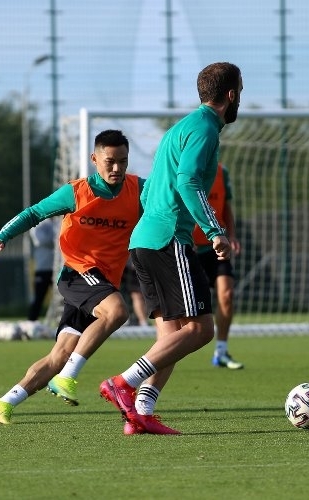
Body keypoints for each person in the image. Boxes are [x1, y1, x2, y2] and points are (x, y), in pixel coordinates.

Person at [98, 61, 243, 435]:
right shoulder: (204, 129)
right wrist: (214, 230)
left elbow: (149, 190)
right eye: (240, 91)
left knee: (171, 336)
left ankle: (140, 414)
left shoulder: (179, 129)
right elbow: (188, 180)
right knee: (201, 329)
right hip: (168, 241)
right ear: (231, 95)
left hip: (145, 241)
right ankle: (123, 383)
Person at [0, 129, 145, 424]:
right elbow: (33, 213)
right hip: (77, 274)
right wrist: (0, 235)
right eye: (109, 161)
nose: (117, 168)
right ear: (94, 159)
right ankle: (68, 377)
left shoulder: (139, 190)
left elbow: (167, 206)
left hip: (103, 282)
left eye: (122, 161)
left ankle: (4, 402)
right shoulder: (76, 192)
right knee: (118, 312)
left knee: (60, 354)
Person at [193, 163, 243, 369]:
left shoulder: (222, 172)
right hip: (190, 247)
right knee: (186, 309)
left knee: (227, 295)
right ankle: (169, 351)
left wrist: (232, 235)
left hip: (217, 245)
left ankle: (221, 351)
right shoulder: (184, 168)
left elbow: (226, 207)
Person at [27, 217, 56, 321]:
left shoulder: (58, 222)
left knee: (64, 297)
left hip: (57, 268)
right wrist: (57, 239)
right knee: (39, 297)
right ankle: (32, 321)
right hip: (43, 267)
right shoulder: (39, 224)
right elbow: (40, 240)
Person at [121, 260, 148, 327]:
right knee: (136, 295)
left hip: (141, 264)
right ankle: (142, 322)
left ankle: (143, 322)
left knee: (139, 296)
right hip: (129, 267)